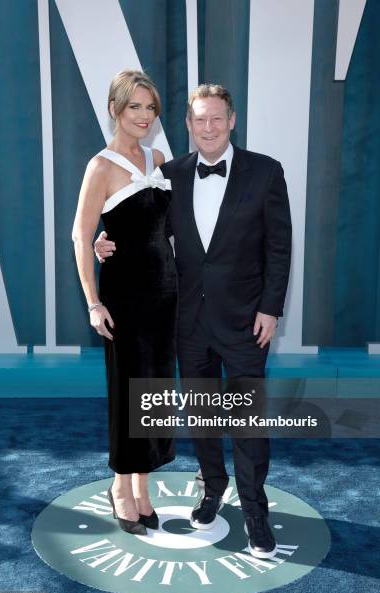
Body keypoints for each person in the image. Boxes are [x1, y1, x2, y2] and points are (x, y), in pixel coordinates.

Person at [95, 84, 292, 558]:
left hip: (248, 321)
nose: (209, 127)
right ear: (187, 124)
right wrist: (107, 242)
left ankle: (255, 512)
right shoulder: (170, 173)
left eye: (217, 118)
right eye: (200, 119)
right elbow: (147, 232)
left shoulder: (266, 172)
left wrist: (271, 308)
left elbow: (279, 248)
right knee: (203, 416)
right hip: (187, 320)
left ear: (232, 120)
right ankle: (211, 492)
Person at [72, 70, 177, 536]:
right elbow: (80, 234)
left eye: (150, 107)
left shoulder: (158, 158)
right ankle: (121, 486)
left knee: (154, 394)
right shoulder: (101, 166)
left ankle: (143, 487)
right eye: (135, 106)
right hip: (126, 298)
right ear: (115, 109)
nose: (144, 115)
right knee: (127, 391)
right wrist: (94, 302)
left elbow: (167, 230)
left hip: (165, 296)